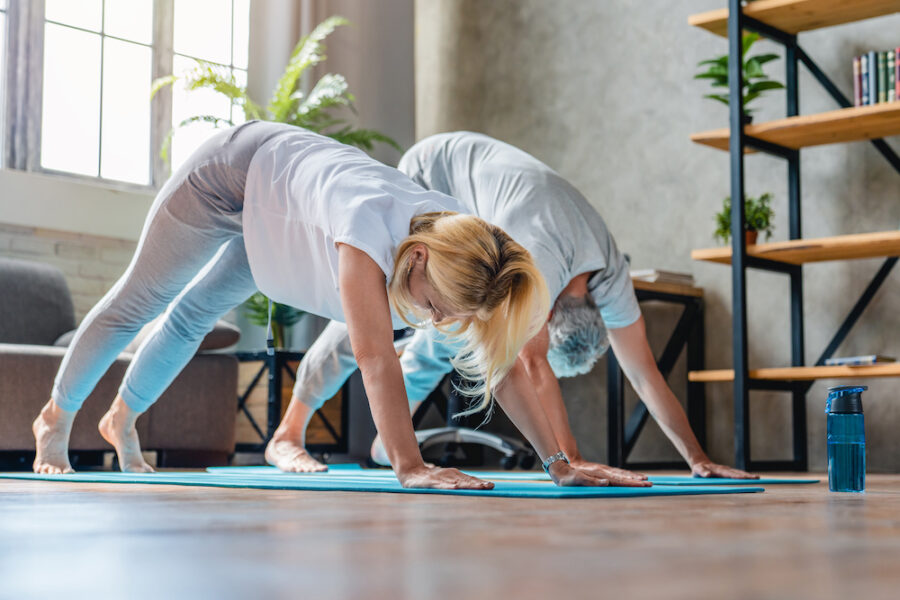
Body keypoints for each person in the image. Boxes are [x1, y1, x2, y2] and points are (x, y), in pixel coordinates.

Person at [32, 122, 607, 490]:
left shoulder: (459, 250)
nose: (434, 323)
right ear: (416, 259)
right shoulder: (367, 229)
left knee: (195, 318)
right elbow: (375, 358)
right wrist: (411, 468)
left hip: (281, 220)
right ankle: (54, 418)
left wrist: (558, 463)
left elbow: (497, 364)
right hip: (229, 176)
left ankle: (120, 418)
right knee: (144, 301)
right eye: (433, 307)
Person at [265, 131, 756, 483]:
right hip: (433, 171)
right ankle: (290, 431)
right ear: (548, 315)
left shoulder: (610, 276)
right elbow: (529, 360)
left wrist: (697, 458)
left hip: (486, 195)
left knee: (452, 329)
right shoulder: (538, 262)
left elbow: (645, 374)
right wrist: (570, 460)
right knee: (370, 309)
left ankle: (389, 436)